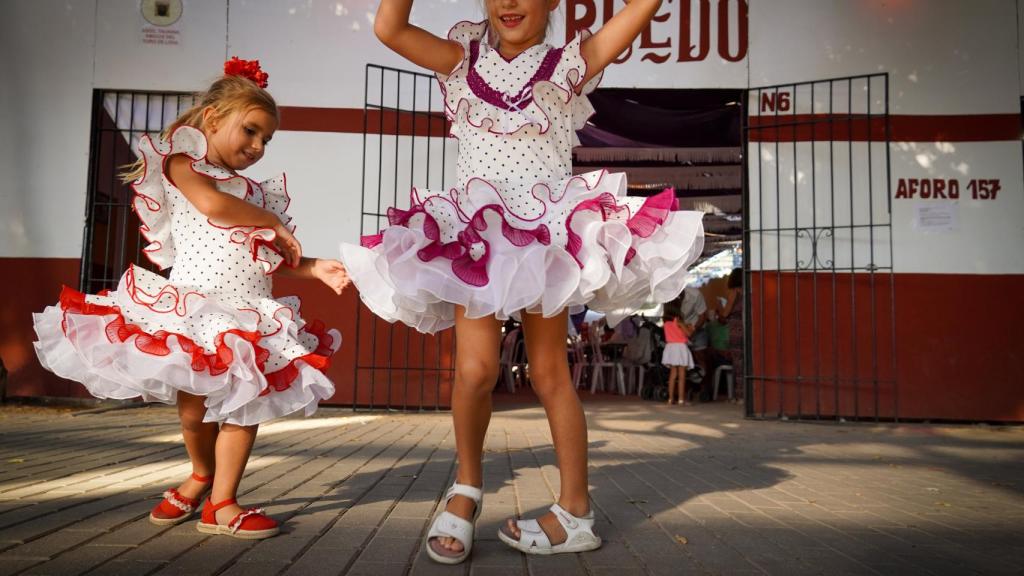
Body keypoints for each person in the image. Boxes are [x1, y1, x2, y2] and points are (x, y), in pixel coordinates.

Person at [340, 0, 704, 563]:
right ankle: (466, 491)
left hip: (542, 241)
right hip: (480, 239)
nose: (509, 2)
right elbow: (389, 28)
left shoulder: (570, 63)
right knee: (477, 370)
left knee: (550, 372)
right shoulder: (460, 59)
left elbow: (639, 11)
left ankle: (575, 511)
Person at [32, 59, 350, 539]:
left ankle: (222, 502)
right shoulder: (184, 165)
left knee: (245, 406)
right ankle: (200, 473)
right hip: (196, 309)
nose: (258, 146)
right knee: (192, 412)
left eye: (266, 139)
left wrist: (313, 267)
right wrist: (275, 222)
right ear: (214, 118)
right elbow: (212, 206)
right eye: (250, 131)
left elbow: (266, 254)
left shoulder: (257, 197)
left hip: (248, 316)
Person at [717, 268, 744, 402]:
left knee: (738, 363)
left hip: (736, 330)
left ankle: (740, 395)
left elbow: (725, 313)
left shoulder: (734, 292)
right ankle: (749, 394)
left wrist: (719, 307)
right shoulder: (749, 291)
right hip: (748, 329)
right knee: (748, 363)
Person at [662, 301, 694, 404]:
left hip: (670, 348)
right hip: (680, 348)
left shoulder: (666, 323)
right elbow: (688, 334)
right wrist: (691, 328)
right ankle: (681, 399)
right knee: (682, 375)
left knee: (672, 374)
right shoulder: (678, 321)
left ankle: (670, 398)